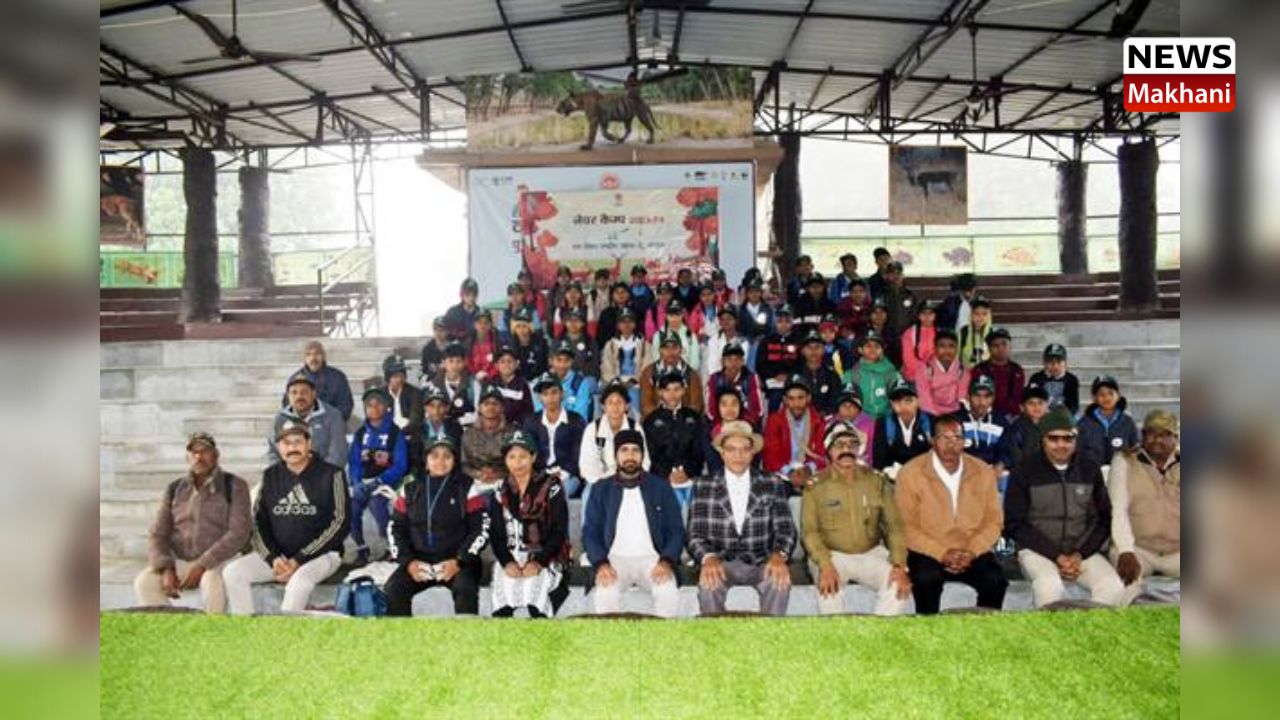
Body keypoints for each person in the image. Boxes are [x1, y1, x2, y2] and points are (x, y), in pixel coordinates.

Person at [1004, 408, 1125, 608]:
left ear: (1076, 440)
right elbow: (1015, 523)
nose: (1061, 444)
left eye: (1068, 438)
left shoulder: (1089, 468)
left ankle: (1091, 628)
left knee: (1112, 587)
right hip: (1037, 550)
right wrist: (1057, 556)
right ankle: (1053, 630)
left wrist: (1079, 554)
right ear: (1043, 439)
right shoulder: (1024, 470)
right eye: (1054, 438)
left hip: (1081, 552)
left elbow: (1103, 519)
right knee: (1048, 585)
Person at [224, 421, 349, 615]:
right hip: (280, 559)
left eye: (298, 441)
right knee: (233, 572)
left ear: (309, 443)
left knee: (298, 583)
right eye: (286, 443)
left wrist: (299, 559)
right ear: (278, 447)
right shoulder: (270, 476)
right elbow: (258, 523)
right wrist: (273, 558)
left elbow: (340, 523)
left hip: (322, 556)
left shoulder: (332, 474)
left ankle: (285, 631)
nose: (292, 448)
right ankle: (245, 627)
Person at [894, 416, 1008, 615]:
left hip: (971, 549)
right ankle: (929, 631)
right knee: (926, 579)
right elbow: (906, 526)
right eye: (944, 438)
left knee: (995, 581)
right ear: (932, 440)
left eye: (957, 438)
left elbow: (994, 521)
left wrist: (972, 550)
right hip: (929, 550)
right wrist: (941, 553)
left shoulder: (982, 471)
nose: (951, 444)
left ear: (965, 441)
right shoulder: (911, 472)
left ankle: (985, 630)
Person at [134, 432, 251, 614]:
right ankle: (171, 627)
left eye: (204, 451)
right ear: (187, 457)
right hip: (182, 561)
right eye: (193, 452)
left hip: (220, 560)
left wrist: (203, 564)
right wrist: (166, 567)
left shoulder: (234, 485)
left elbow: (238, 533)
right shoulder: (175, 488)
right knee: (145, 583)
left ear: (216, 455)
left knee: (211, 583)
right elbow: (158, 533)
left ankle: (213, 629)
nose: (198, 457)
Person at [688, 421, 796, 616]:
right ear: (721, 452)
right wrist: (709, 557)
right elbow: (695, 533)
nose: (738, 455)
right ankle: (713, 634)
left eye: (745, 449)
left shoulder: (772, 482)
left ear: (752, 452)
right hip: (720, 560)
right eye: (731, 449)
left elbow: (786, 529)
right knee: (709, 584)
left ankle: (772, 633)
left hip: (762, 560)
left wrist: (778, 555)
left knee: (779, 582)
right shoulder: (703, 485)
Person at [803, 422, 910, 615]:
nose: (846, 450)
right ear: (829, 450)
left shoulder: (876, 480)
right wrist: (825, 564)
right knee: (829, 590)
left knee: (898, 587)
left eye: (852, 445)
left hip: (870, 552)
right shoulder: (815, 485)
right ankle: (839, 635)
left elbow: (894, 527)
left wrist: (899, 564)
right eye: (839, 445)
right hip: (832, 555)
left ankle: (878, 633)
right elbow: (810, 532)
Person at [583, 430, 685, 617]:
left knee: (668, 593)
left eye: (635, 450)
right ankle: (613, 638)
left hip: (653, 559)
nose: (630, 456)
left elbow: (676, 529)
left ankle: (664, 637)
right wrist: (601, 563)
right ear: (615, 455)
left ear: (642, 455)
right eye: (624, 450)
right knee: (605, 594)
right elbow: (590, 531)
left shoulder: (660, 487)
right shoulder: (601, 489)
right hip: (614, 560)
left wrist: (666, 561)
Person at [384, 436, 490, 616]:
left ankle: (468, 633)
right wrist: (408, 562)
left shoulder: (467, 487)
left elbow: (480, 528)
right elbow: (396, 528)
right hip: (419, 560)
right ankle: (402, 634)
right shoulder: (409, 489)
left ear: (454, 461)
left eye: (447, 456)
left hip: (458, 560)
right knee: (394, 589)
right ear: (426, 460)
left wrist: (459, 561)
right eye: (434, 455)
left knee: (465, 588)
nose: (440, 461)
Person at [489, 430, 571, 617]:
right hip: (511, 555)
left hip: (546, 556)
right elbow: (496, 534)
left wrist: (538, 562)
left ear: (533, 457)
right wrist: (507, 562)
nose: (517, 463)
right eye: (512, 457)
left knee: (536, 592)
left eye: (523, 457)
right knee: (503, 601)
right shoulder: (499, 489)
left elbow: (559, 531)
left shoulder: (551, 486)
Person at [1108, 410, 1181, 606]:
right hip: (1138, 549)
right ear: (1142, 435)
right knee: (1124, 583)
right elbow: (1118, 509)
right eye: (1151, 433)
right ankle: (1126, 622)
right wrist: (1125, 550)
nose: (1157, 440)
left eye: (1165, 434)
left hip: (1178, 550)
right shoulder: (1124, 461)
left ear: (1176, 438)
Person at [347, 388, 409, 565]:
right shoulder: (360, 433)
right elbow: (354, 461)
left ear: (386, 406)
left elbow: (401, 465)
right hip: (364, 482)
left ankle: (391, 547)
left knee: (377, 504)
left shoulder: (395, 433)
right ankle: (361, 549)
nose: (374, 408)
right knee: (352, 508)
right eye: (369, 405)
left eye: (378, 404)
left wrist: (380, 481)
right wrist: (356, 482)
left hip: (386, 482)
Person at [578, 380, 650, 528]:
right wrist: (603, 482)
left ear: (627, 406)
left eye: (619, 402)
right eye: (610, 402)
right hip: (599, 480)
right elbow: (586, 464)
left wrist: (627, 478)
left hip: (630, 477)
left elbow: (645, 461)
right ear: (603, 406)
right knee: (587, 495)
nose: (615, 407)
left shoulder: (635, 428)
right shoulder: (593, 429)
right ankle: (589, 536)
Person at [642, 370, 706, 518]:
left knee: (695, 513)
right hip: (663, 478)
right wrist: (668, 473)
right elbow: (651, 454)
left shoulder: (694, 418)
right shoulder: (651, 420)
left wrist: (688, 472)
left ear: (683, 390)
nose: (672, 395)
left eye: (677, 389)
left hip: (690, 477)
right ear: (660, 392)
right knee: (672, 512)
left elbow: (699, 451)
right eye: (667, 390)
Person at [524, 372, 587, 498]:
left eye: (554, 392)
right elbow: (528, 453)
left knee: (556, 496)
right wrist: (543, 474)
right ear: (540, 398)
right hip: (540, 475)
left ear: (562, 394)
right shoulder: (531, 421)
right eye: (545, 394)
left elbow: (578, 455)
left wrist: (562, 473)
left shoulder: (576, 420)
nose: (550, 398)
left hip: (568, 475)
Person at [762, 374, 828, 493]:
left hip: (810, 473)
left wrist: (808, 469)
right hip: (782, 473)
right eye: (791, 398)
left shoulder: (818, 421)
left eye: (800, 398)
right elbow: (770, 454)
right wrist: (790, 472)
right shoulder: (774, 421)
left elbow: (822, 453)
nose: (796, 404)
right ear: (784, 400)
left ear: (808, 398)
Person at [270, 371, 347, 468]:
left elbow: (338, 453)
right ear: (288, 396)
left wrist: (322, 474)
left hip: (324, 473)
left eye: (304, 392)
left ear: (314, 394)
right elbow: (272, 453)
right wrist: (283, 473)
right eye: (294, 393)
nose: (299, 396)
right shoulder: (280, 418)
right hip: (288, 473)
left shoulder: (333, 416)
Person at [872, 379, 934, 475]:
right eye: (897, 402)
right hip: (893, 477)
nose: (903, 406)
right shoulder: (883, 423)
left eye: (908, 401)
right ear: (891, 404)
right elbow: (879, 461)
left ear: (918, 401)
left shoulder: (931, 421)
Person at [1077, 374, 1140, 468]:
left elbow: (1135, 449)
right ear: (1094, 398)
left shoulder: (1128, 422)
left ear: (1118, 395)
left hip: (1121, 472)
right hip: (1091, 472)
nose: (1106, 398)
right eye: (1101, 394)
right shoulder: (1084, 423)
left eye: (1111, 393)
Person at [282, 340, 353, 421]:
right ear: (304, 358)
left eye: (317, 354)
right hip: (303, 424)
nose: (313, 358)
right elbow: (287, 406)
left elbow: (345, 406)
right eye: (308, 354)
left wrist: (331, 421)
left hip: (332, 423)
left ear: (323, 356)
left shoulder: (338, 377)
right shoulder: (295, 379)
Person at [639, 331, 704, 418]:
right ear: (660, 350)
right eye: (666, 348)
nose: (670, 352)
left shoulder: (691, 374)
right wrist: (664, 420)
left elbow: (696, 406)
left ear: (681, 350)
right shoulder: (649, 372)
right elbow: (646, 406)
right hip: (656, 420)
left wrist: (678, 420)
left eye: (674, 348)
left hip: (684, 421)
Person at [951, 375, 1008, 469]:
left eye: (987, 396)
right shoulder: (955, 420)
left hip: (990, 471)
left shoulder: (1000, 421)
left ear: (993, 398)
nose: (982, 402)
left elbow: (1005, 451)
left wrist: (1000, 465)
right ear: (968, 397)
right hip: (962, 470)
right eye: (977, 396)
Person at [461, 386, 510, 492]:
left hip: (505, 482)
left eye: (495, 403)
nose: (490, 407)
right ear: (479, 408)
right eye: (486, 403)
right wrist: (478, 474)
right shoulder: (469, 434)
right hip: (475, 482)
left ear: (502, 408)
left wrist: (498, 474)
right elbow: (464, 464)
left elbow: (517, 463)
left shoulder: (512, 433)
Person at [704, 343, 765, 429]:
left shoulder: (751, 378)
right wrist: (724, 425)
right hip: (721, 425)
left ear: (743, 362)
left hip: (745, 425)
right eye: (729, 359)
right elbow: (710, 412)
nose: (733, 363)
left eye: (737, 359)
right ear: (722, 362)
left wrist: (740, 424)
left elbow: (758, 410)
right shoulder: (714, 379)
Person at [844, 330, 900, 421]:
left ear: (882, 350)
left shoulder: (892, 373)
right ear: (860, 350)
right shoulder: (851, 375)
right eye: (868, 346)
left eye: (877, 346)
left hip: (887, 418)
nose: (872, 349)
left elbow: (900, 398)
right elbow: (847, 402)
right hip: (861, 420)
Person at [913, 328, 969, 418]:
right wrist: (937, 418)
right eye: (942, 346)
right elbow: (925, 400)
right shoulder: (924, 369)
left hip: (954, 412)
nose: (947, 351)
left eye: (951, 346)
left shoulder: (961, 370)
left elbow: (961, 398)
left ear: (956, 349)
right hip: (931, 413)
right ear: (935, 348)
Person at [534, 339, 595, 421]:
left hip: (573, 427)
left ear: (572, 361)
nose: (562, 365)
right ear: (550, 361)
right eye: (559, 360)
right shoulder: (540, 383)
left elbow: (581, 417)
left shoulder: (581, 383)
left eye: (567, 360)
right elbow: (539, 415)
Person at [973, 328, 1025, 422]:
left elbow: (1018, 397)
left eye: (1004, 344)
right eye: (995, 345)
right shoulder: (980, 369)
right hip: (986, 416)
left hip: (1012, 417)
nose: (1000, 348)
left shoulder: (1017, 370)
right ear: (989, 349)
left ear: (1010, 346)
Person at [599, 307, 645, 412]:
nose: (626, 325)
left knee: (634, 395)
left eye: (630, 321)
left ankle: (635, 420)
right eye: (623, 322)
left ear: (635, 324)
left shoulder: (643, 344)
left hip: (636, 382)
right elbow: (606, 367)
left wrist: (633, 381)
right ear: (618, 325)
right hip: (615, 381)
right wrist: (617, 381)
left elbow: (646, 367)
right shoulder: (610, 344)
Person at [757, 305, 802, 411]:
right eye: (780, 321)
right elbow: (760, 364)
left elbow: (801, 363)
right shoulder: (766, 341)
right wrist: (775, 374)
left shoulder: (798, 341)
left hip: (793, 381)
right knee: (775, 399)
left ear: (792, 322)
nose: (783, 325)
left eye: (787, 321)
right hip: (772, 381)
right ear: (775, 322)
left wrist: (789, 376)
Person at [382, 354, 423, 470]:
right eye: (395, 376)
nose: (399, 379)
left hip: (409, 436)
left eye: (402, 375)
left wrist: (398, 435)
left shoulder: (415, 393)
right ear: (388, 377)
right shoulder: (380, 394)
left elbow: (415, 421)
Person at [1001, 382, 1051, 474]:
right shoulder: (1016, 428)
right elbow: (1015, 453)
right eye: (1031, 403)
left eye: (1040, 403)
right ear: (1022, 408)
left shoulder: (1053, 426)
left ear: (1047, 406)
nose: (1036, 406)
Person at [825, 383, 876, 467]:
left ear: (859, 408)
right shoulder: (828, 423)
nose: (848, 409)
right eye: (844, 405)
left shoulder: (870, 424)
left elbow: (873, 455)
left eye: (852, 405)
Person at [647, 298, 700, 373]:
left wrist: (685, 374)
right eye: (671, 315)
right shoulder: (659, 336)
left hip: (686, 375)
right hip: (664, 375)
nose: (674, 318)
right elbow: (656, 358)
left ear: (682, 315)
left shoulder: (690, 335)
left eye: (677, 314)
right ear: (666, 316)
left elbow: (694, 361)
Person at [703, 387, 747, 476]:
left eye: (734, 404)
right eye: (724, 404)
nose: (729, 408)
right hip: (718, 478)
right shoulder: (709, 432)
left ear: (740, 406)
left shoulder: (748, 429)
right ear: (718, 408)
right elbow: (712, 461)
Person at [489, 346, 535, 427]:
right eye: (502, 361)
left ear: (516, 364)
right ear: (496, 365)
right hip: (494, 426)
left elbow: (529, 412)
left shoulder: (523, 385)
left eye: (510, 361)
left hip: (516, 427)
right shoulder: (491, 383)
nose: (506, 365)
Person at [433, 341, 477, 427]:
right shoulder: (434, 385)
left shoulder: (473, 384)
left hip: (466, 427)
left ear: (464, 363)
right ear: (444, 363)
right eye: (451, 361)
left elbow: (479, 413)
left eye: (458, 361)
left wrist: (459, 421)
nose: (454, 365)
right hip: (442, 428)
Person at [703, 304, 752, 381]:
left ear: (736, 321)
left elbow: (741, 364)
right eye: (722, 319)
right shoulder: (713, 340)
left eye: (729, 318)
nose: (726, 322)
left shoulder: (743, 341)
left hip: (738, 380)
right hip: (718, 379)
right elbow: (712, 366)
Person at [1028, 343, 1080, 415]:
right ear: (1044, 363)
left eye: (1059, 362)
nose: (1055, 366)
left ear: (1065, 363)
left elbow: (1074, 406)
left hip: (1063, 416)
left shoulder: (1071, 379)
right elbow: (1032, 401)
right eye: (1050, 362)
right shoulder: (1036, 378)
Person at [899, 299, 938, 383]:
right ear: (919, 316)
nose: (927, 317)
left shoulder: (940, 333)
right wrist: (925, 371)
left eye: (930, 313)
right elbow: (909, 361)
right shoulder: (909, 333)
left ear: (935, 315)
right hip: (914, 378)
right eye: (924, 313)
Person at [508, 307, 549, 381]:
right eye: (518, 326)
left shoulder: (541, 343)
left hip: (539, 380)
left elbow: (545, 365)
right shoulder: (510, 346)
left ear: (530, 327)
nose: (521, 330)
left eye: (524, 326)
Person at [558, 307, 600, 379]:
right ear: (565, 323)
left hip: (586, 378)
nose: (573, 324)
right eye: (569, 320)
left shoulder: (590, 342)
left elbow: (595, 364)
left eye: (577, 320)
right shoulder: (558, 341)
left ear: (583, 323)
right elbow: (553, 363)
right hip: (563, 378)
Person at [420, 383, 464, 451]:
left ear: (447, 407)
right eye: (432, 406)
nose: (436, 410)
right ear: (425, 407)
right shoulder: (418, 431)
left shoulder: (456, 429)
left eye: (440, 406)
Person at [881, 261, 916, 337]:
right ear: (886, 275)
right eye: (892, 273)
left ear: (903, 275)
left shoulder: (910, 295)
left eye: (898, 273)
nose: (896, 276)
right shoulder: (882, 294)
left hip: (907, 334)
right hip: (886, 335)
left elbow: (914, 315)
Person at [595, 281, 633, 349]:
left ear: (629, 294)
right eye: (617, 292)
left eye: (623, 292)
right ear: (612, 295)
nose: (620, 295)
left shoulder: (635, 312)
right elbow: (600, 335)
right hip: (610, 348)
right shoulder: (606, 313)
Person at [958, 296, 993, 368]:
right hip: (967, 372)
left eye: (984, 314)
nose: (980, 317)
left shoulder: (991, 333)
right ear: (971, 315)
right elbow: (956, 355)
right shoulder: (964, 332)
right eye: (976, 314)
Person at [443, 277, 481, 342]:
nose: (471, 298)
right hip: (455, 346)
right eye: (468, 294)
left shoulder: (481, 313)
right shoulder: (452, 312)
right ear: (461, 295)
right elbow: (445, 333)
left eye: (474, 294)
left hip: (475, 346)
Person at [468, 309, 500, 382]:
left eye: (486, 323)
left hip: (493, 377)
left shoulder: (497, 341)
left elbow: (499, 361)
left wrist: (488, 375)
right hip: (473, 377)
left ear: (490, 324)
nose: (483, 325)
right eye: (479, 322)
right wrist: (475, 374)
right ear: (475, 325)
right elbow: (467, 362)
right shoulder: (469, 341)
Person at [586, 268, 613, 339]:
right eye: (599, 280)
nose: (602, 282)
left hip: (611, 324)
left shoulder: (613, 292)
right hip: (597, 324)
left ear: (608, 280)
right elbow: (590, 312)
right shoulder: (592, 294)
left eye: (604, 279)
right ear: (595, 281)